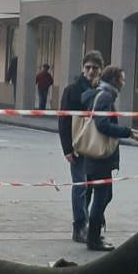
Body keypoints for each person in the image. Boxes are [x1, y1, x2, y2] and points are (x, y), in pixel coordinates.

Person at [82, 65, 138, 252]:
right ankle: (93, 239)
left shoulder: (99, 94)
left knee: (104, 195)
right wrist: (127, 132)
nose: (124, 83)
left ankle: (94, 232)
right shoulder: (105, 96)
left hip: (94, 157)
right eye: (122, 79)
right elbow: (102, 124)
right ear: (115, 80)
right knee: (102, 196)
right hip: (99, 157)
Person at [58, 50, 103, 244]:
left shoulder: (103, 91)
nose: (91, 71)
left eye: (95, 68)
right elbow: (64, 120)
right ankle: (79, 226)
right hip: (78, 145)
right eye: (88, 67)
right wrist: (67, 148)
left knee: (92, 187)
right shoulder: (72, 90)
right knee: (80, 186)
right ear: (83, 68)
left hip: (96, 147)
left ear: (100, 70)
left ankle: (90, 224)